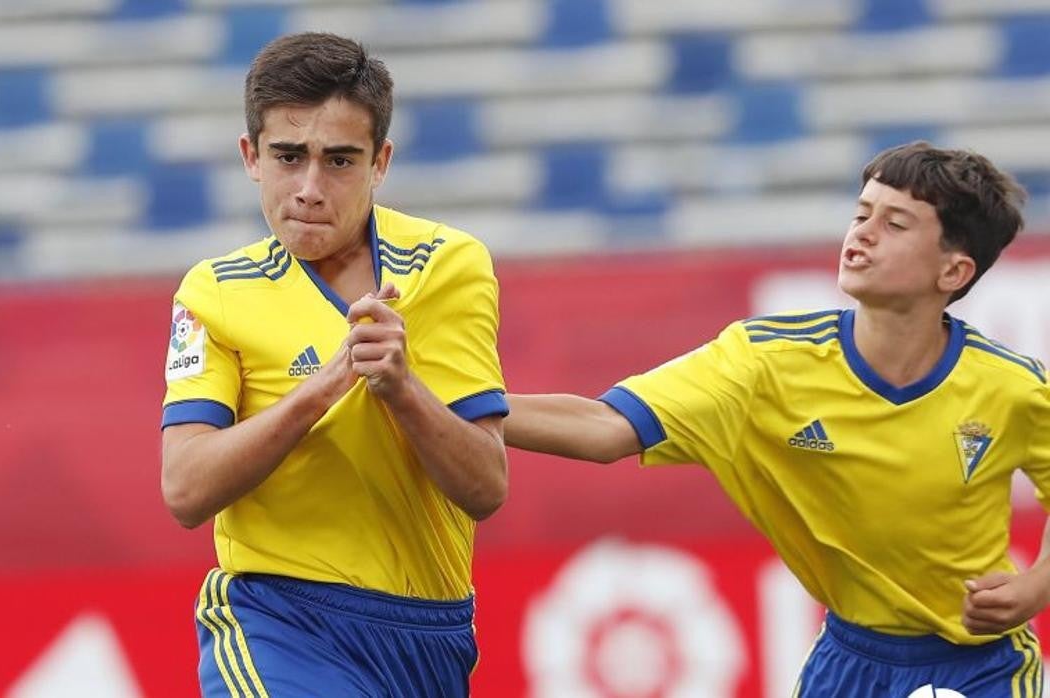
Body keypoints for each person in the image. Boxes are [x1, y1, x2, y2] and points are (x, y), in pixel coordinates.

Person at [505, 142, 1049, 697]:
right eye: (862, 214)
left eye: (895, 224)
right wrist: (453, 405)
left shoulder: (1012, 387)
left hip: (983, 667)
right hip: (850, 662)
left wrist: (1037, 585)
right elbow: (604, 428)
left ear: (953, 271)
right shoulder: (762, 363)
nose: (861, 233)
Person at [159, 32, 508, 698]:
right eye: (288, 157)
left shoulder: (451, 266)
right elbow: (185, 489)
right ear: (250, 157)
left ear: (380, 161)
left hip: (429, 636)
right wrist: (323, 389)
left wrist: (403, 390)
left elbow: (486, 487)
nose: (310, 188)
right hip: (277, 620)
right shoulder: (214, 293)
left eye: (339, 160)